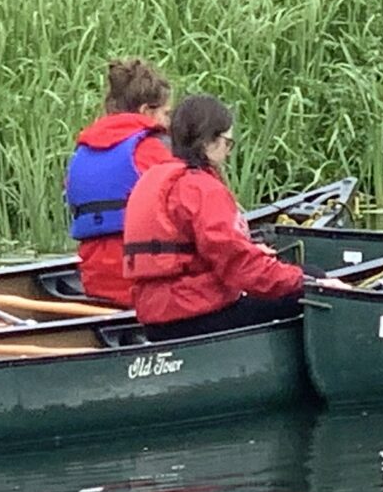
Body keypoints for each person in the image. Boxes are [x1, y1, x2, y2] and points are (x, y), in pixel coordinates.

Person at [121, 95, 305, 337]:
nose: (228, 153)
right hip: (196, 315)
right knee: (306, 295)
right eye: (228, 143)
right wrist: (306, 280)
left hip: (155, 319)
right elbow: (239, 265)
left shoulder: (152, 180)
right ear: (209, 142)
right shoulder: (202, 190)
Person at [67, 57, 174, 306]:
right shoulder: (154, 150)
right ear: (147, 111)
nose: (169, 123)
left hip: (96, 283)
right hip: (143, 286)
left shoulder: (82, 152)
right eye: (166, 114)